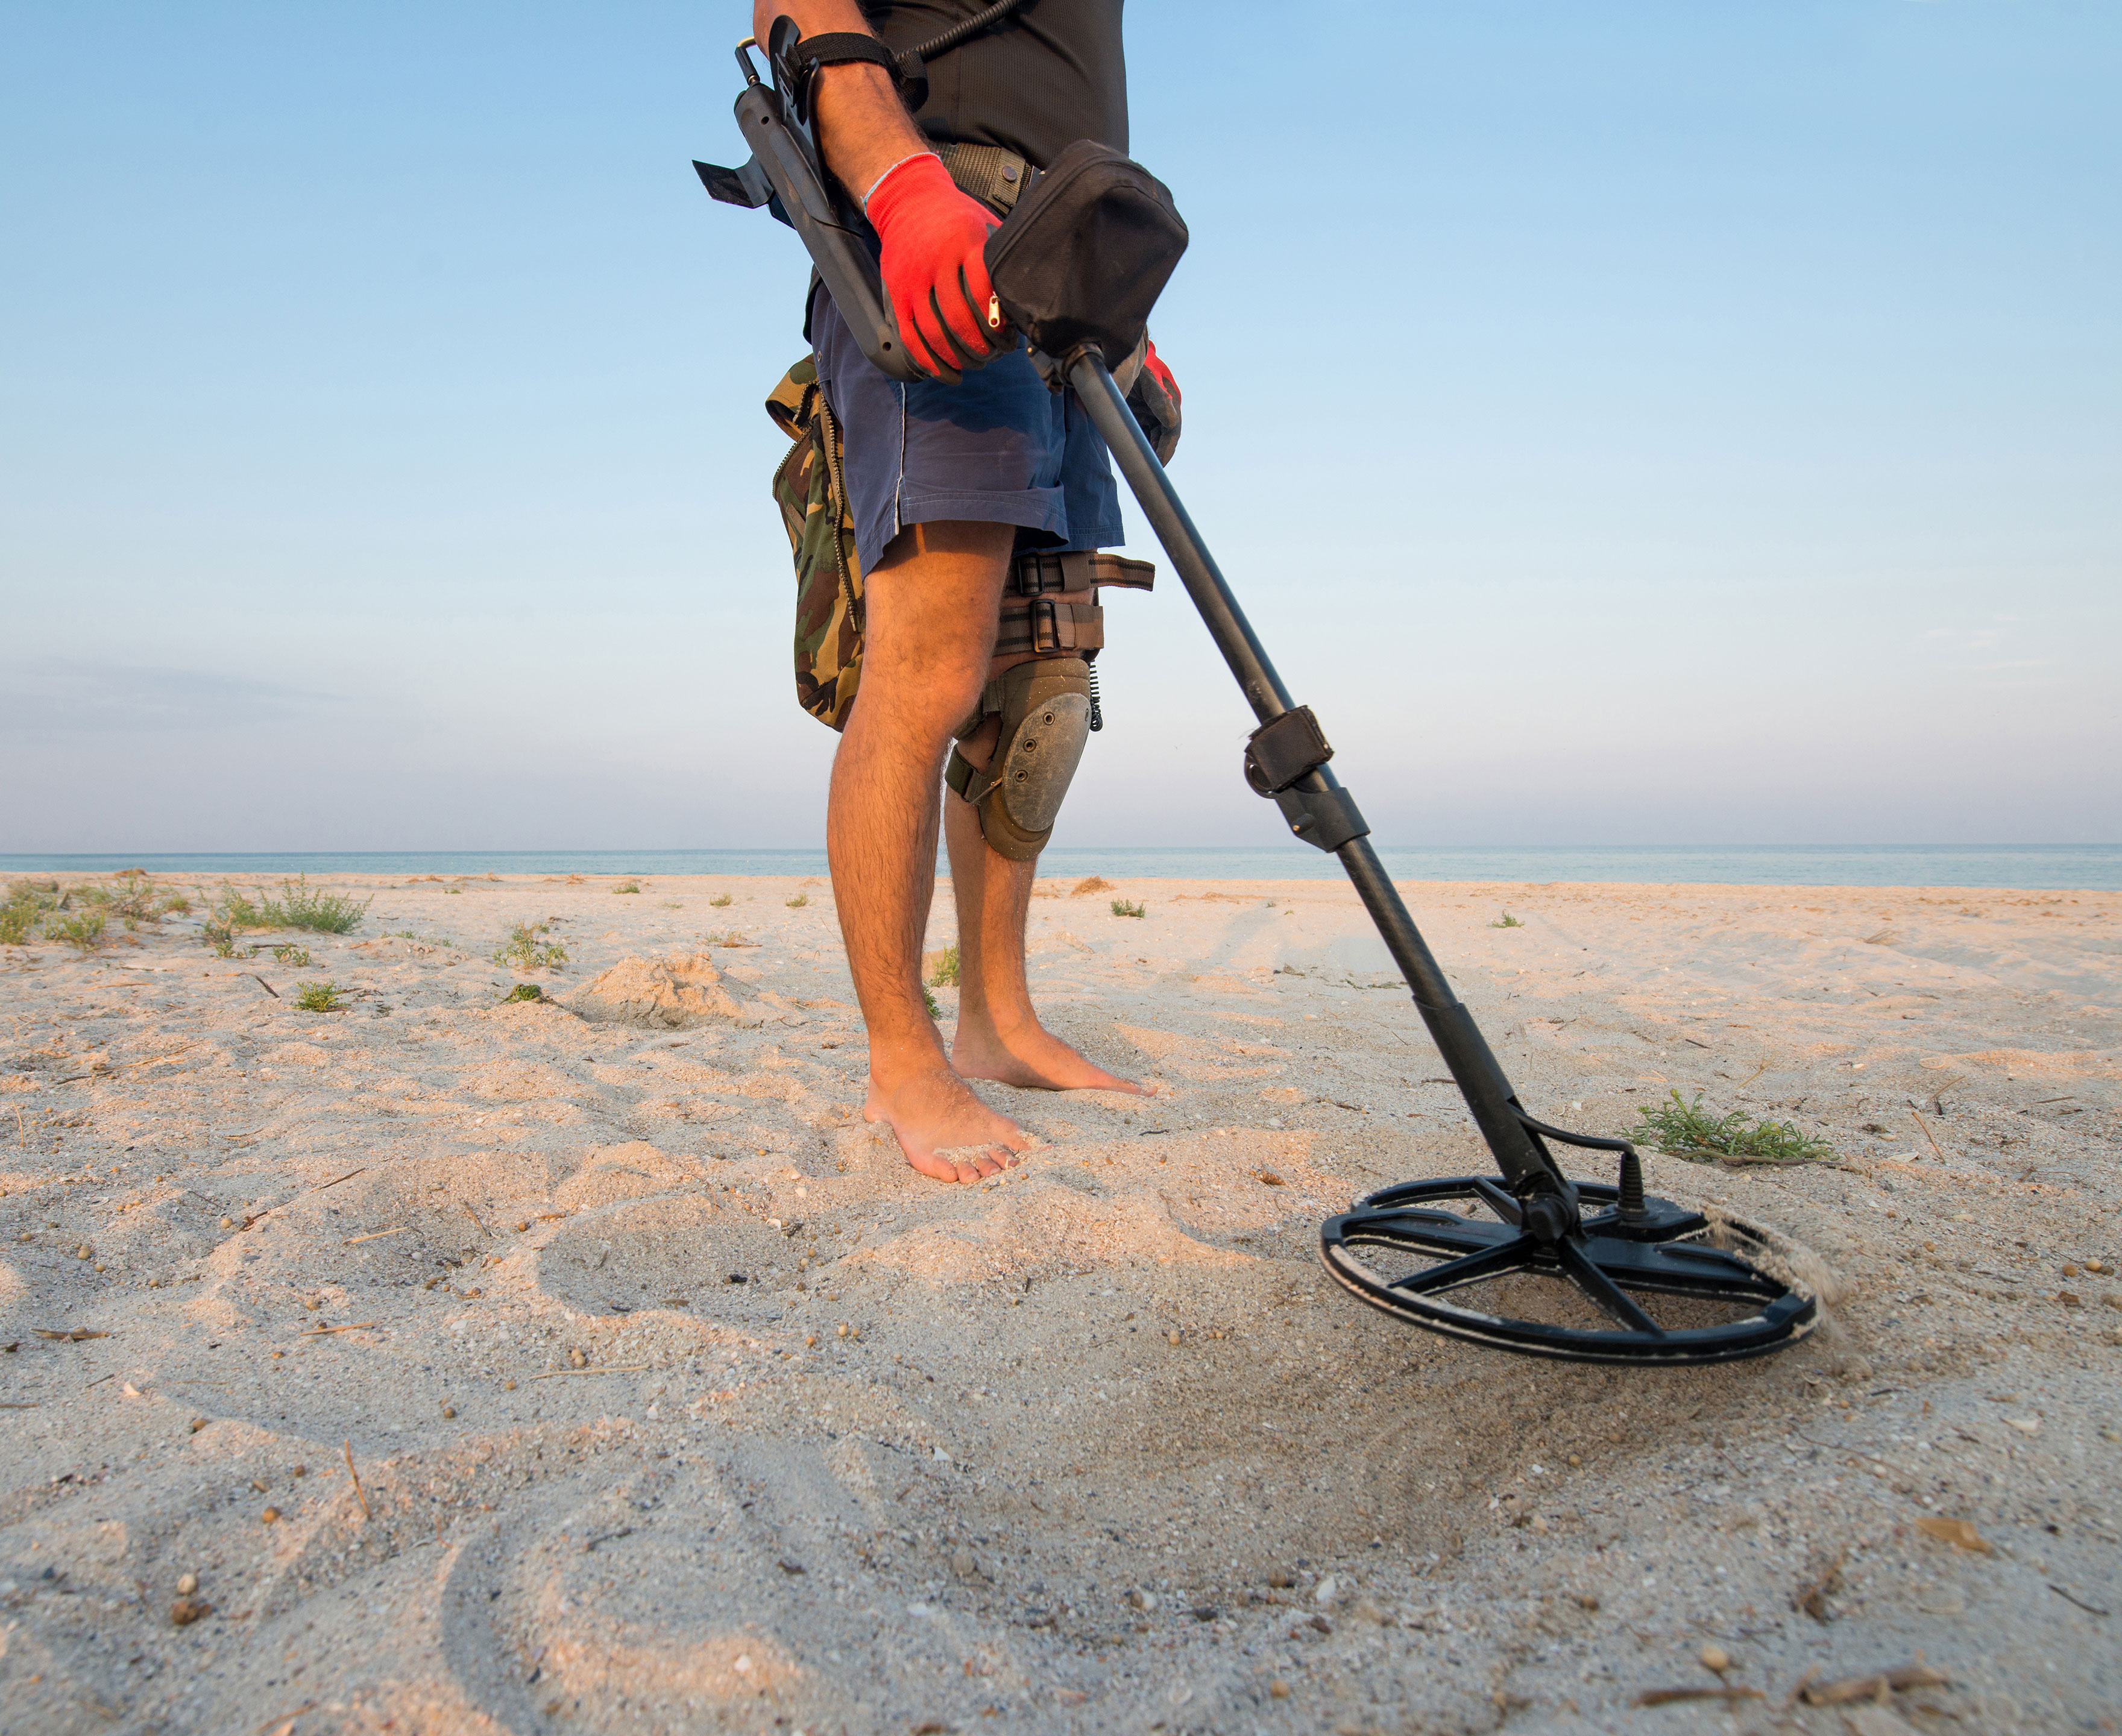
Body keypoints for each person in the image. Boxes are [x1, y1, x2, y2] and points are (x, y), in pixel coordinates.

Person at [747, 0, 1177, 1182]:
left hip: (1063, 267)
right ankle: (903, 1058)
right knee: (932, 666)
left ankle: (998, 1023)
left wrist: (1125, 326)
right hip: (943, 233)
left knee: (1043, 682)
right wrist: (904, 192)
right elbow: (802, 9)